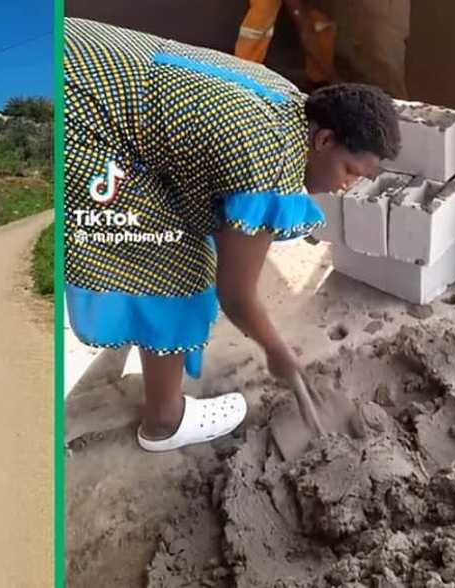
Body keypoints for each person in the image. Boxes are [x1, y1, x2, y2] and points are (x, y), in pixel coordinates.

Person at [64, 18, 400, 452]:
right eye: (350, 171)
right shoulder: (266, 168)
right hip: (77, 116)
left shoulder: (286, 102)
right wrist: (278, 352)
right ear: (325, 140)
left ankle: (149, 353)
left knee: (184, 235)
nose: (347, 186)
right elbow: (236, 296)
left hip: (81, 52)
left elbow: (216, 205)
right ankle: (165, 422)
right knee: (173, 266)